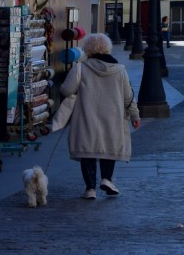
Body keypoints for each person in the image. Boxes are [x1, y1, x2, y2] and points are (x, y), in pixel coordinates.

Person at [59, 33, 140, 199]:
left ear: (87, 49)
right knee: (108, 147)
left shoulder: (80, 68)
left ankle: (90, 189)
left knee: (88, 150)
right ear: (107, 47)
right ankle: (107, 179)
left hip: (86, 116)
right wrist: (135, 116)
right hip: (113, 117)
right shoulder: (120, 70)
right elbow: (128, 96)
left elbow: (66, 90)